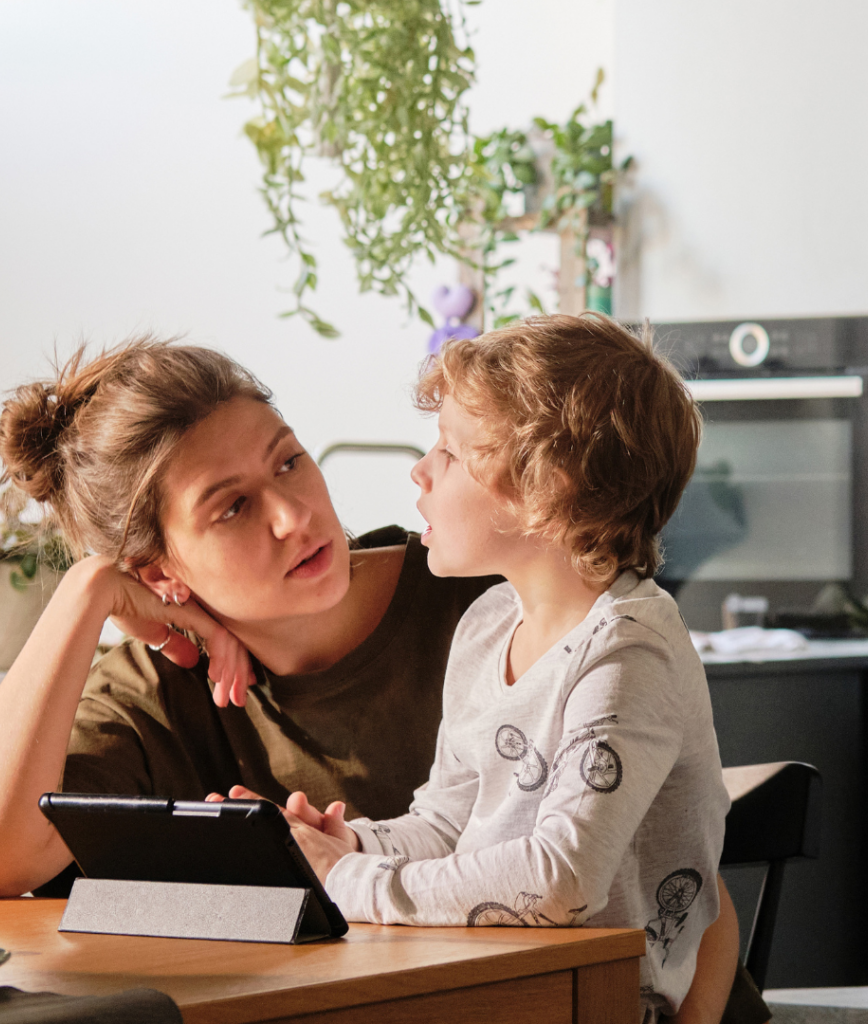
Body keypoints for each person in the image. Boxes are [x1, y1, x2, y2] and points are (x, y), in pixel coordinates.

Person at [0, 334, 762, 1024]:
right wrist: (83, 595)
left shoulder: (499, 587)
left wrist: (341, 875)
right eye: (232, 508)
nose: (294, 515)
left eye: (289, 462)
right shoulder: (156, 691)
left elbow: (676, 866)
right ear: (159, 574)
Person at [249, 314, 728, 1019]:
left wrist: (348, 879)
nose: (420, 470)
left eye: (448, 449)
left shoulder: (628, 652)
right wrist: (346, 842)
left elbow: (561, 879)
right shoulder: (488, 624)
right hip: (486, 978)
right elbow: (446, 825)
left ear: (545, 489)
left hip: (587, 999)